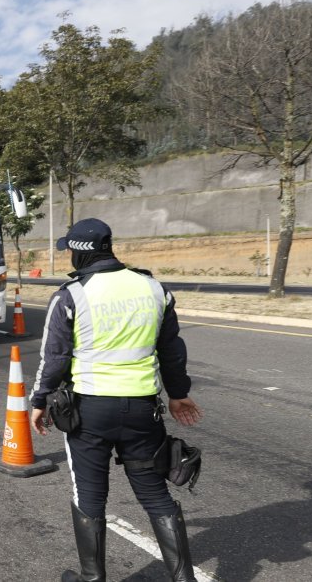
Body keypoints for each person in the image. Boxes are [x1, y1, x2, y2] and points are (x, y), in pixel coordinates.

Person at [30, 218, 203, 582]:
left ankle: (93, 579)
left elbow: (55, 358)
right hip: (143, 410)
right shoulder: (154, 289)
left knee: (90, 496)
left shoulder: (71, 295)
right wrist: (179, 394)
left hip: (89, 412)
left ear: (80, 253)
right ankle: (184, 579)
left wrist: (40, 400)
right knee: (155, 495)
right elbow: (172, 351)